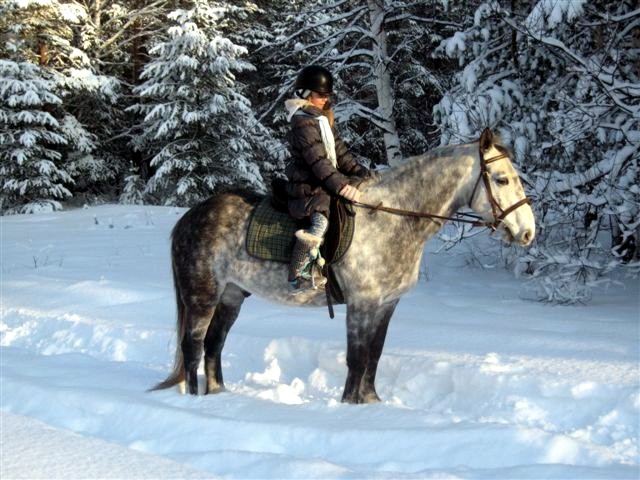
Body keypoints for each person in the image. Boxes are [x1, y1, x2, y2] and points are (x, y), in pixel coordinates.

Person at [284, 65, 368, 292]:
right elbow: (318, 162)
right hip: (308, 186)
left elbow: (339, 153)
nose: (325, 98)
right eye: (320, 94)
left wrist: (361, 174)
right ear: (305, 94)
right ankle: (298, 272)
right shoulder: (302, 122)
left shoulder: (323, 119)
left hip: (323, 183)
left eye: (327, 95)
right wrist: (343, 187)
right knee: (320, 222)